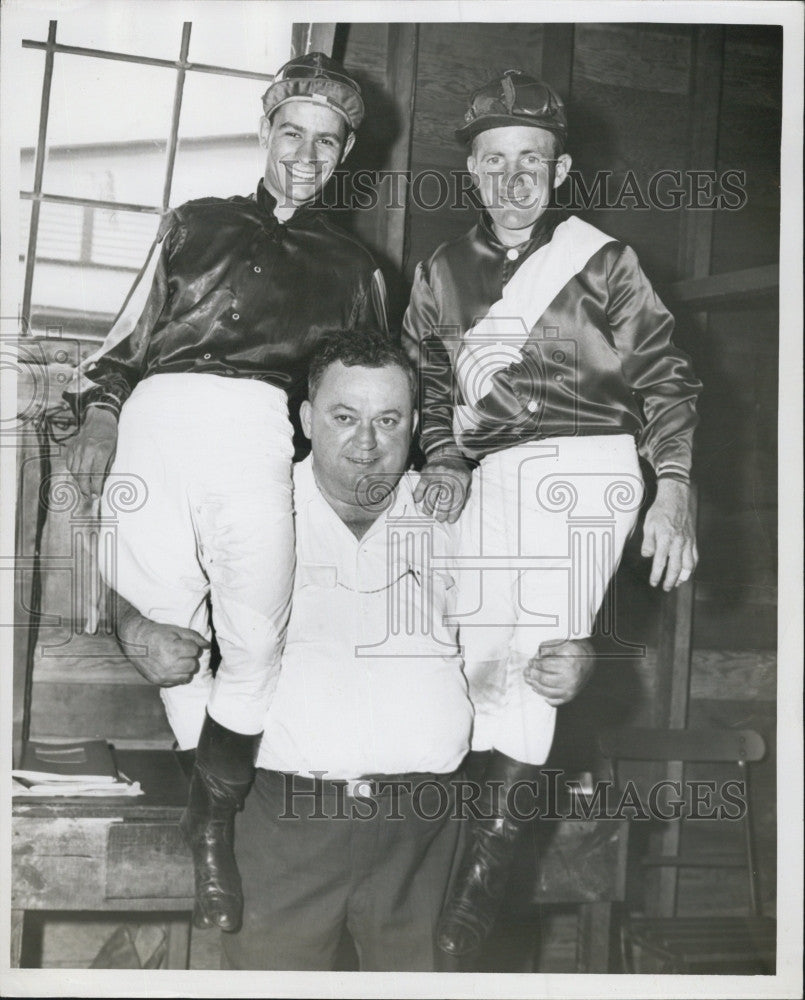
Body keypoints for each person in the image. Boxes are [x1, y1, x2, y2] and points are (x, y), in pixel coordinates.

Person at [113, 329, 594, 970]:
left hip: (429, 829)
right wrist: (134, 631)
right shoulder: (249, 505)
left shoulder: (458, 514)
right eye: (345, 417)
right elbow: (148, 580)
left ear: (416, 424)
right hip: (280, 821)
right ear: (307, 419)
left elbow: (522, 633)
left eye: (388, 420)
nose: (366, 443)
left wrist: (571, 656)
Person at [63, 52, 388, 935]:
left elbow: (358, 391)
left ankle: (211, 818)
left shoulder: (354, 267)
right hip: (157, 424)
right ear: (265, 133)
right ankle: (211, 844)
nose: (306, 156)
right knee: (170, 637)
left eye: (327, 142)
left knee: (256, 640)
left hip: (257, 437)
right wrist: (98, 416)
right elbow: (123, 341)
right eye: (293, 133)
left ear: (345, 154)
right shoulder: (192, 224)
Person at [402, 70, 703, 957]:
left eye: (528, 161)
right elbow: (424, 381)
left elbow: (664, 376)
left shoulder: (604, 260)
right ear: (471, 172)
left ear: (560, 169)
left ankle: (468, 916)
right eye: (492, 162)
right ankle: (433, 882)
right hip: (487, 471)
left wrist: (675, 483)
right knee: (461, 659)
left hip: (586, 463)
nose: (510, 179)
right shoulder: (439, 272)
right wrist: (446, 456)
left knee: (536, 661)